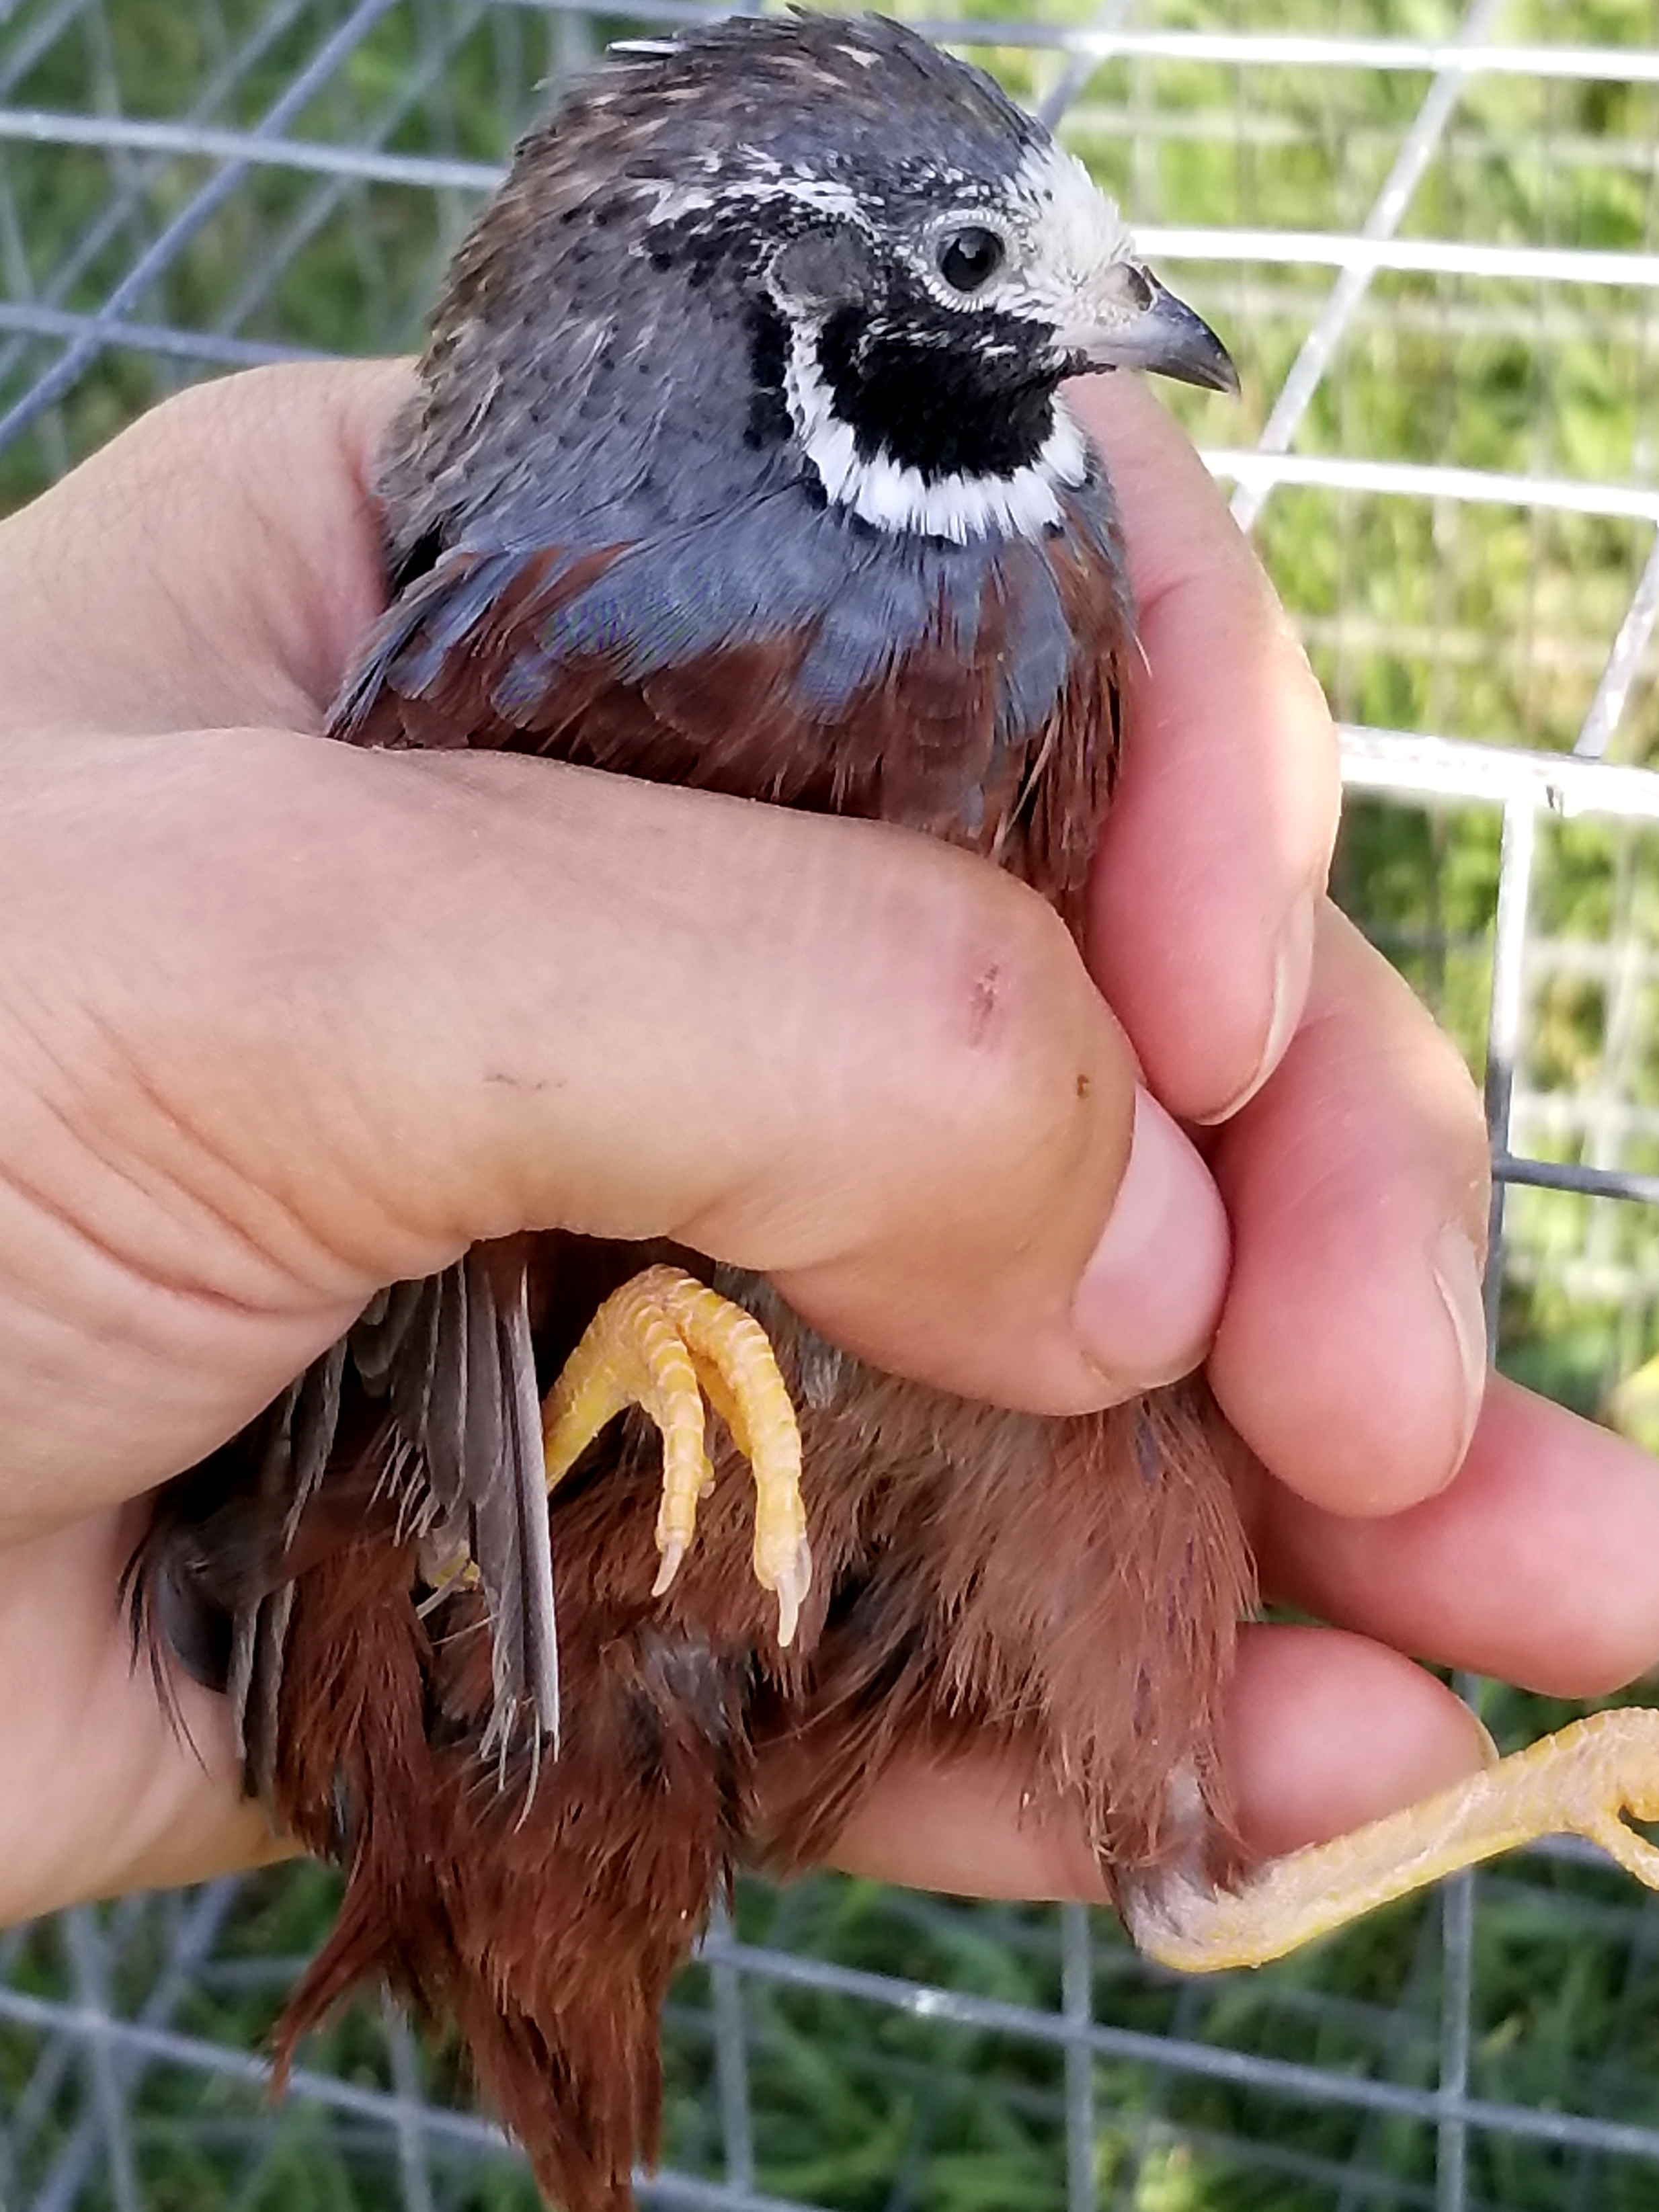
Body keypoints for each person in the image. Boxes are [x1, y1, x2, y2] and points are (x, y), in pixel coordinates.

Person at [1, 358, 1654, 1927]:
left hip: (859, 1567)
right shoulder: (497, 715)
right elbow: (406, 1467)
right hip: (465, 1631)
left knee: (1193, 1813)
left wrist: (1538, 1785)